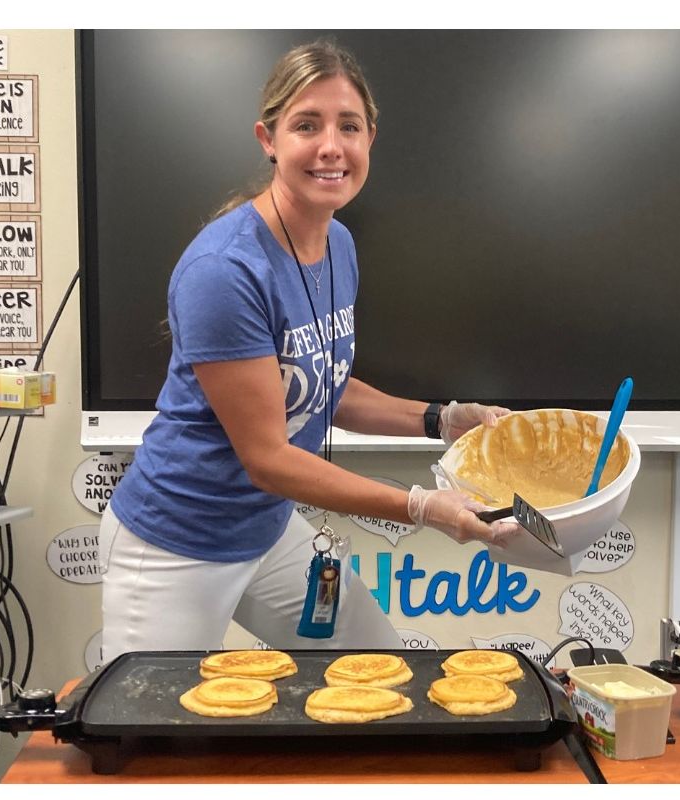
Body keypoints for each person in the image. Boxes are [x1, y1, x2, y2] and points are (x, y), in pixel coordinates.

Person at [98, 39, 519, 662]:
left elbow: (324, 385)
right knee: (152, 716)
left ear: (370, 138)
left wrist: (443, 419)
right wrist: (422, 507)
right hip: (176, 542)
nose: (331, 146)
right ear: (268, 140)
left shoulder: (337, 244)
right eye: (306, 125)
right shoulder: (224, 270)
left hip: (266, 528)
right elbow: (268, 458)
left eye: (348, 125)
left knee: (378, 664)